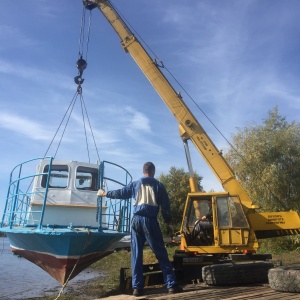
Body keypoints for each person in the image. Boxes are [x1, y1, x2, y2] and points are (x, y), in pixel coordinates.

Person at [97, 162, 182, 296]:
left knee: (136, 254)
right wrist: (169, 223)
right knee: (160, 252)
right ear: (153, 171)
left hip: (136, 220)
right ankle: (171, 285)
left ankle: (137, 288)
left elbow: (121, 193)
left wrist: (106, 193)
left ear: (144, 171)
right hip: (150, 220)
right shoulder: (159, 186)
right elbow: (165, 209)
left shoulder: (135, 184)